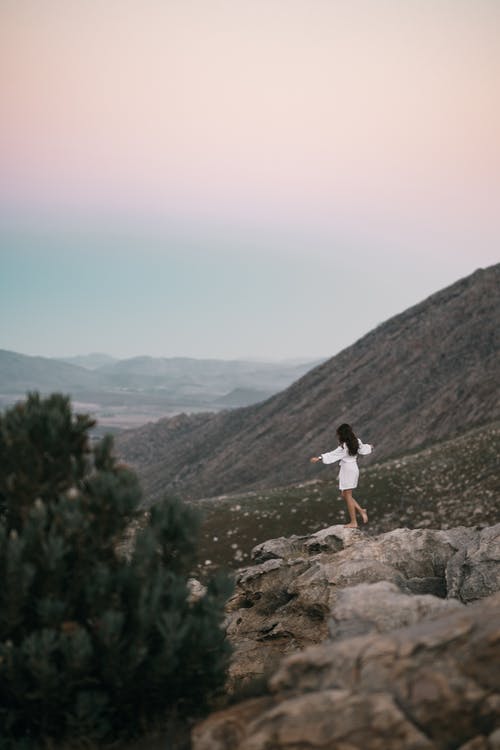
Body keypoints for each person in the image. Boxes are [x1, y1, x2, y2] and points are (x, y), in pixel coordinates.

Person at [310, 423, 373, 528]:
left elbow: (333, 454)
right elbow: (363, 449)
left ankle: (354, 522)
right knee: (344, 495)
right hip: (353, 468)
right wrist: (370, 447)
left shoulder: (344, 446)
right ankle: (361, 511)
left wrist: (319, 458)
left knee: (347, 496)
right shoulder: (356, 442)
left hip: (348, 470)